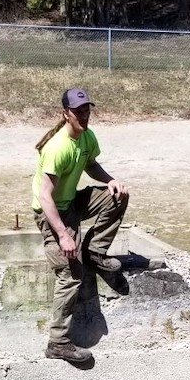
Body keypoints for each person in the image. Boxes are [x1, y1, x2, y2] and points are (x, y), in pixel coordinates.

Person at [31, 87, 129, 364]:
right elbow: (44, 197)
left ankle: (96, 253)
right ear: (65, 114)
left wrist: (110, 180)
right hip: (52, 213)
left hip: (72, 202)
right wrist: (63, 234)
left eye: (86, 110)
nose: (84, 115)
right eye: (78, 111)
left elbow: (91, 164)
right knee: (70, 272)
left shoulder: (87, 137)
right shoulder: (57, 148)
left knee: (118, 197)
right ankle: (58, 342)